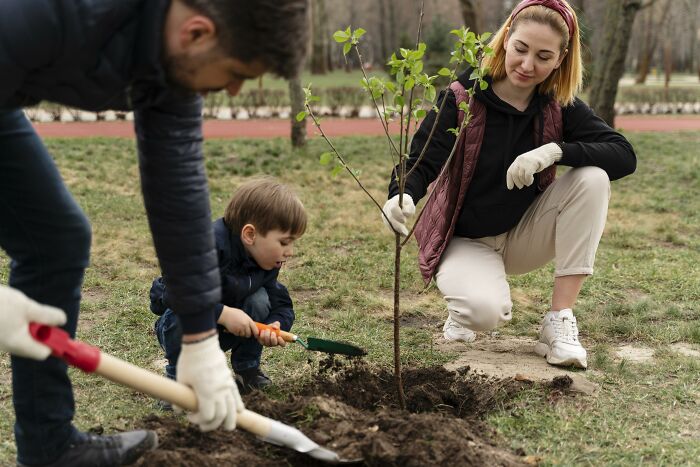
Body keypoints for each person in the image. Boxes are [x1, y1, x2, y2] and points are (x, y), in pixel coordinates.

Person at [0, 0, 308, 465]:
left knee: (56, 241)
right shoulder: (43, 15)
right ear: (197, 33)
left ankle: (49, 449)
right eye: (237, 71)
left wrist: (203, 337)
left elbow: (178, 194)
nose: (234, 87)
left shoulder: (174, 69)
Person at [382, 0, 636, 370]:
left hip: (524, 236)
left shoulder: (558, 105)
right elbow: (421, 163)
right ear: (505, 39)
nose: (528, 65)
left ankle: (558, 320)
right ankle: (464, 311)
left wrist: (554, 151)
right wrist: (400, 194)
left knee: (593, 177)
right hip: (466, 240)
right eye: (520, 48)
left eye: (544, 56)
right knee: (485, 313)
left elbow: (623, 155)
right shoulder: (462, 97)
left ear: (561, 59)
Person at [150, 178, 306, 397]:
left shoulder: (265, 261)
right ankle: (179, 383)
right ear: (250, 234)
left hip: (228, 331)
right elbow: (177, 293)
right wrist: (223, 314)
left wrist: (274, 324)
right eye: (284, 242)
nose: (290, 251)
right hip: (184, 328)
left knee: (260, 300)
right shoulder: (206, 247)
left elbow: (280, 302)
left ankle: (247, 370)